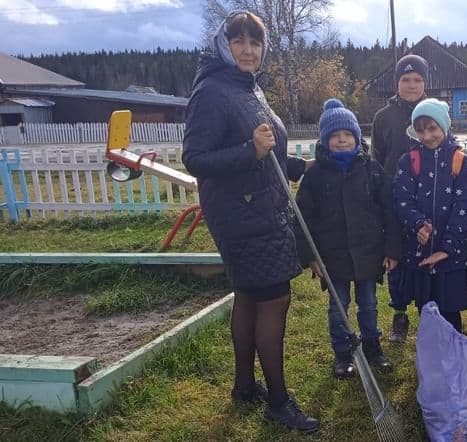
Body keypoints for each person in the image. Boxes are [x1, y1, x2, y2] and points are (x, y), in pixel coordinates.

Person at [181, 11, 318, 431]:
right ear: (224, 45)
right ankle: (278, 402)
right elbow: (196, 159)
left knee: (249, 296)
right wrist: (248, 151)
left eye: (255, 43)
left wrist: (295, 165)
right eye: (239, 41)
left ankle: (244, 385)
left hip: (257, 208)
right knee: (274, 298)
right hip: (243, 216)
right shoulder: (212, 92)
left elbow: (266, 149)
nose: (247, 49)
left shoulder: (248, 87)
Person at [295, 99, 401, 379]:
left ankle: (372, 348)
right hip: (333, 256)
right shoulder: (315, 176)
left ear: (357, 138)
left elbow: (389, 211)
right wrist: (311, 256)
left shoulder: (372, 170)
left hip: (369, 252)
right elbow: (303, 219)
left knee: (368, 303)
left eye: (347, 136)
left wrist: (391, 248)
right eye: (334, 137)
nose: (341, 141)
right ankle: (342, 354)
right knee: (338, 305)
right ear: (325, 141)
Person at [393, 98, 467, 333]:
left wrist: (447, 247)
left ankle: (454, 361)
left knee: (451, 313)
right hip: (420, 253)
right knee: (426, 311)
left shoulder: (461, 162)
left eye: (432, 129)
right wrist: (418, 224)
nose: (427, 136)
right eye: (420, 130)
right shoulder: (409, 161)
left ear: (444, 127)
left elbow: (465, 206)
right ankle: (432, 361)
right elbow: (401, 199)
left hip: (451, 256)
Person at [371, 54, 430, 343]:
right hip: (394, 200)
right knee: (396, 256)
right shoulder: (384, 117)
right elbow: (377, 160)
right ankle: (399, 314)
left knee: (424, 254)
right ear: (397, 83)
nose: (411, 85)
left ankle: (427, 312)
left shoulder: (434, 113)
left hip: (428, 198)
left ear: (424, 83)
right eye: (406, 80)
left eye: (417, 79)